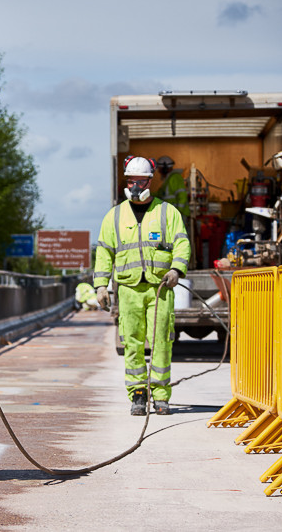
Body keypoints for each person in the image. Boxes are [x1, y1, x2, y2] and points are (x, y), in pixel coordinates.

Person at [93, 156, 190, 416]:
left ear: (150, 181)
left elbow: (182, 243)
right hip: (128, 289)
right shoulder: (114, 216)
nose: (135, 186)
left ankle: (161, 395)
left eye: (140, 181)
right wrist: (101, 286)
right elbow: (104, 252)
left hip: (160, 289)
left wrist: (176, 269)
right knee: (132, 342)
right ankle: (137, 393)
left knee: (161, 342)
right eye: (130, 181)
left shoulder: (167, 213)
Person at [155, 156, 190, 224]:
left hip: (179, 214)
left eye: (159, 168)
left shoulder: (175, 178)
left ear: (165, 169)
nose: (158, 171)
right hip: (173, 213)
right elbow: (160, 194)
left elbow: (182, 196)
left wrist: (178, 213)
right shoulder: (168, 179)